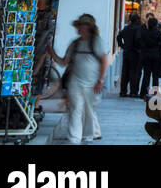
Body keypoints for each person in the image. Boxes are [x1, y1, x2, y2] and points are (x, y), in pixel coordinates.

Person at [51, 14, 107, 144]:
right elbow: (64, 62)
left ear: (87, 27)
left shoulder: (96, 41)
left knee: (88, 110)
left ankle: (87, 136)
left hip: (92, 84)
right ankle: (74, 138)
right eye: (79, 25)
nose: (79, 28)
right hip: (75, 82)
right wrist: (52, 54)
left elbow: (104, 61)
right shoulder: (74, 44)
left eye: (81, 25)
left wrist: (100, 81)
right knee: (75, 109)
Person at [138, 15, 161, 96]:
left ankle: (143, 93)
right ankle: (155, 94)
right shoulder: (158, 33)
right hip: (156, 56)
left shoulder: (144, 33)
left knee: (146, 75)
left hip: (146, 56)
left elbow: (141, 43)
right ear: (156, 24)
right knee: (155, 76)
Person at [116, 12, 143, 98]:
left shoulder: (126, 28)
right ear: (137, 20)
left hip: (126, 53)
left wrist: (122, 45)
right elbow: (138, 40)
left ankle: (123, 91)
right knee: (134, 73)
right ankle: (133, 92)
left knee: (125, 72)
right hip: (134, 53)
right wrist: (139, 49)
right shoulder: (138, 28)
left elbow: (119, 37)